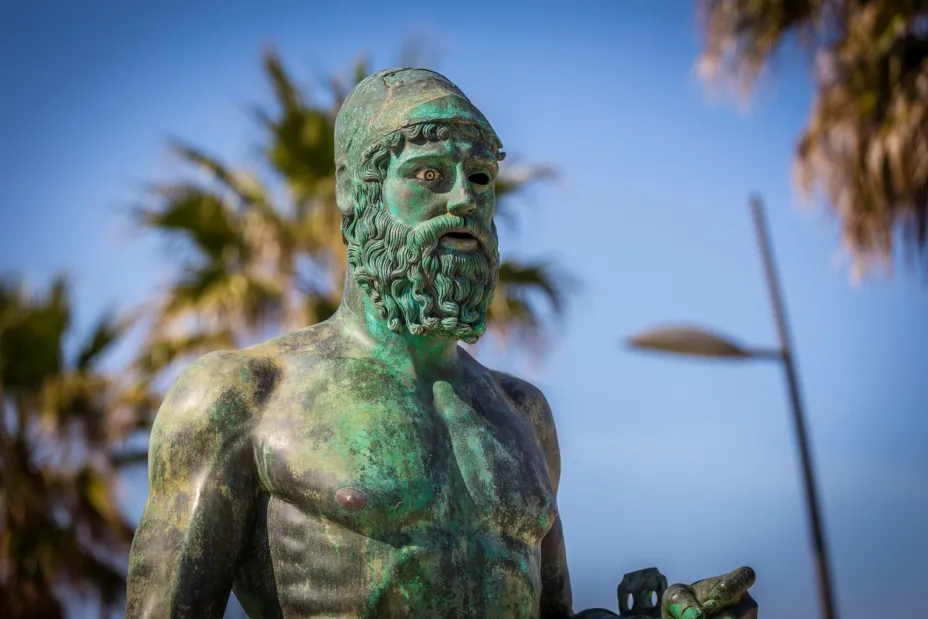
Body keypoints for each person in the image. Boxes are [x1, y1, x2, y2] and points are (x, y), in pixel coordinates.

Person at [126, 68, 757, 619]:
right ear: (355, 196)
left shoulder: (521, 413)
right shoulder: (245, 397)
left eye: (480, 178)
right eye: (429, 173)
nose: (463, 197)